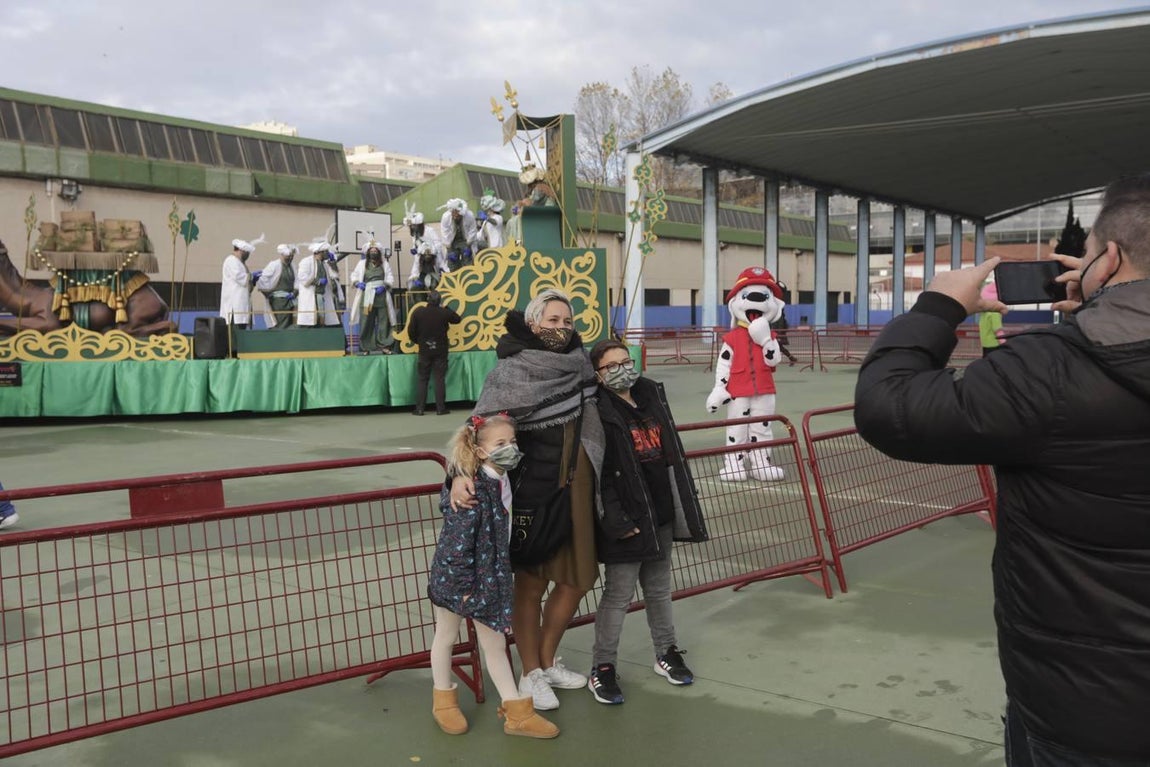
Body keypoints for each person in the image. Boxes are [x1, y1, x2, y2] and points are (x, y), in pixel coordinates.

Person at [853, 173, 1150, 765]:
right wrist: (1103, 316)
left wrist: (938, 306)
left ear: (1110, 259)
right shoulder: (1061, 365)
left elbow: (890, 406)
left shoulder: (1050, 371)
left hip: (1090, 708)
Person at [450, 289, 605, 712]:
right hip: (532, 493)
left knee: (577, 579)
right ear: (534, 324)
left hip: (579, 491)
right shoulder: (512, 370)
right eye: (552, 321)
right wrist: (460, 474)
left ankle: (548, 661)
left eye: (567, 322)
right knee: (531, 585)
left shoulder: (581, 365)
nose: (561, 328)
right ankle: (530, 671)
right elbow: (479, 428)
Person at [586, 339, 708, 705]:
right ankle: (602, 667)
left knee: (658, 588)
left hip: (661, 513)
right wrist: (617, 520)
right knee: (618, 595)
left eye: (626, 361)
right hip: (627, 519)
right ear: (598, 374)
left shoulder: (651, 396)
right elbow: (599, 473)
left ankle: (666, 651)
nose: (622, 370)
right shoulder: (597, 410)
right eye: (611, 366)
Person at [427, 413, 559, 739]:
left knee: (496, 643)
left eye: (512, 441)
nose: (509, 448)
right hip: (458, 580)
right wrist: (464, 588)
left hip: (490, 578)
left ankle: (517, 713)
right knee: (446, 635)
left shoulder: (503, 478)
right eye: (500, 443)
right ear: (480, 450)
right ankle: (443, 701)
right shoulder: (472, 490)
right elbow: (455, 545)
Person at [406, 291, 461, 416]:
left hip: (424, 349)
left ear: (427, 299)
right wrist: (446, 307)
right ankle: (440, 408)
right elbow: (457, 319)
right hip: (441, 349)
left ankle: (420, 409)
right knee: (439, 379)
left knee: (422, 379)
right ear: (439, 300)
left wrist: (419, 341)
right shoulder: (444, 312)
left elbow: (411, 331)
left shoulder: (418, 312)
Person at [349, 240, 397, 354]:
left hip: (381, 296)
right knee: (366, 321)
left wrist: (385, 286)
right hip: (367, 294)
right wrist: (357, 283)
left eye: (375, 251)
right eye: (371, 251)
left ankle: (385, 345)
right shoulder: (362, 264)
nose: (373, 252)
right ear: (368, 252)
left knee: (384, 321)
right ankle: (366, 347)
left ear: (379, 252)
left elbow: (390, 277)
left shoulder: (385, 264)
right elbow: (354, 275)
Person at [220, 235, 264, 328]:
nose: (248, 255)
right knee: (235, 331)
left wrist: (253, 281)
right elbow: (239, 277)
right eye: (247, 253)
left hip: (242, 306)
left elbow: (247, 284)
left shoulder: (241, 264)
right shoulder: (231, 260)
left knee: (242, 329)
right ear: (241, 250)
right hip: (234, 307)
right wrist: (251, 276)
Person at [256, 244, 297, 329]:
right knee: (280, 323)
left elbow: (297, 280)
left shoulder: (293, 266)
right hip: (278, 301)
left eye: (292, 256)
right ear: (282, 254)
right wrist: (268, 293)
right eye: (288, 256)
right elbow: (263, 279)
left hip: (290, 299)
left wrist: (295, 292)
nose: (290, 258)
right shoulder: (274, 265)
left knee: (291, 323)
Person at [296, 242, 334, 328]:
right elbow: (302, 277)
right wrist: (318, 281)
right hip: (311, 296)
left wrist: (333, 262)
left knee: (322, 320)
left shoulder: (324, 264)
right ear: (321, 252)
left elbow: (334, 275)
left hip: (321, 296)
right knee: (310, 320)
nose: (328, 253)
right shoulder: (306, 261)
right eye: (326, 251)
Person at [439, 198, 478, 270]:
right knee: (452, 261)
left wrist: (469, 243)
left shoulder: (469, 215)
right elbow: (444, 231)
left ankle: (468, 273)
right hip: (452, 242)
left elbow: (472, 230)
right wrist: (449, 247)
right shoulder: (445, 217)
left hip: (465, 240)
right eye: (453, 214)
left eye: (457, 215)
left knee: (467, 259)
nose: (455, 217)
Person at [978, 281, 1004, 356]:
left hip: (985, 343)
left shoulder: (983, 314)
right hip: (994, 344)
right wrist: (1004, 343)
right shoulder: (995, 313)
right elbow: (997, 330)